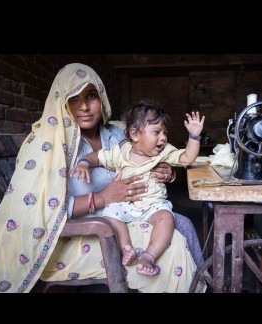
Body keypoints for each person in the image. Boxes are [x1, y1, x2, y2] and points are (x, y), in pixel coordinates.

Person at [0, 63, 205, 293]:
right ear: (61, 102)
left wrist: (168, 173)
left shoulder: (117, 132)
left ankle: (201, 284)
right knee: (175, 244)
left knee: (182, 223)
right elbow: (35, 210)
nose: (83, 107)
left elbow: (150, 154)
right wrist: (101, 198)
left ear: (102, 98)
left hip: (131, 213)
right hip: (85, 233)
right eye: (73, 98)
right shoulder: (49, 145)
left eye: (91, 96)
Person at [70, 100, 205, 276]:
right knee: (111, 215)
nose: (163, 138)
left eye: (165, 133)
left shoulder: (163, 151)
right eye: (157, 132)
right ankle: (127, 248)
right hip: (124, 205)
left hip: (152, 206)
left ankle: (149, 255)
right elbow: (97, 157)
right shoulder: (121, 151)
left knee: (166, 218)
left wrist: (194, 137)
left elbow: (187, 158)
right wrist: (83, 163)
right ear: (134, 135)